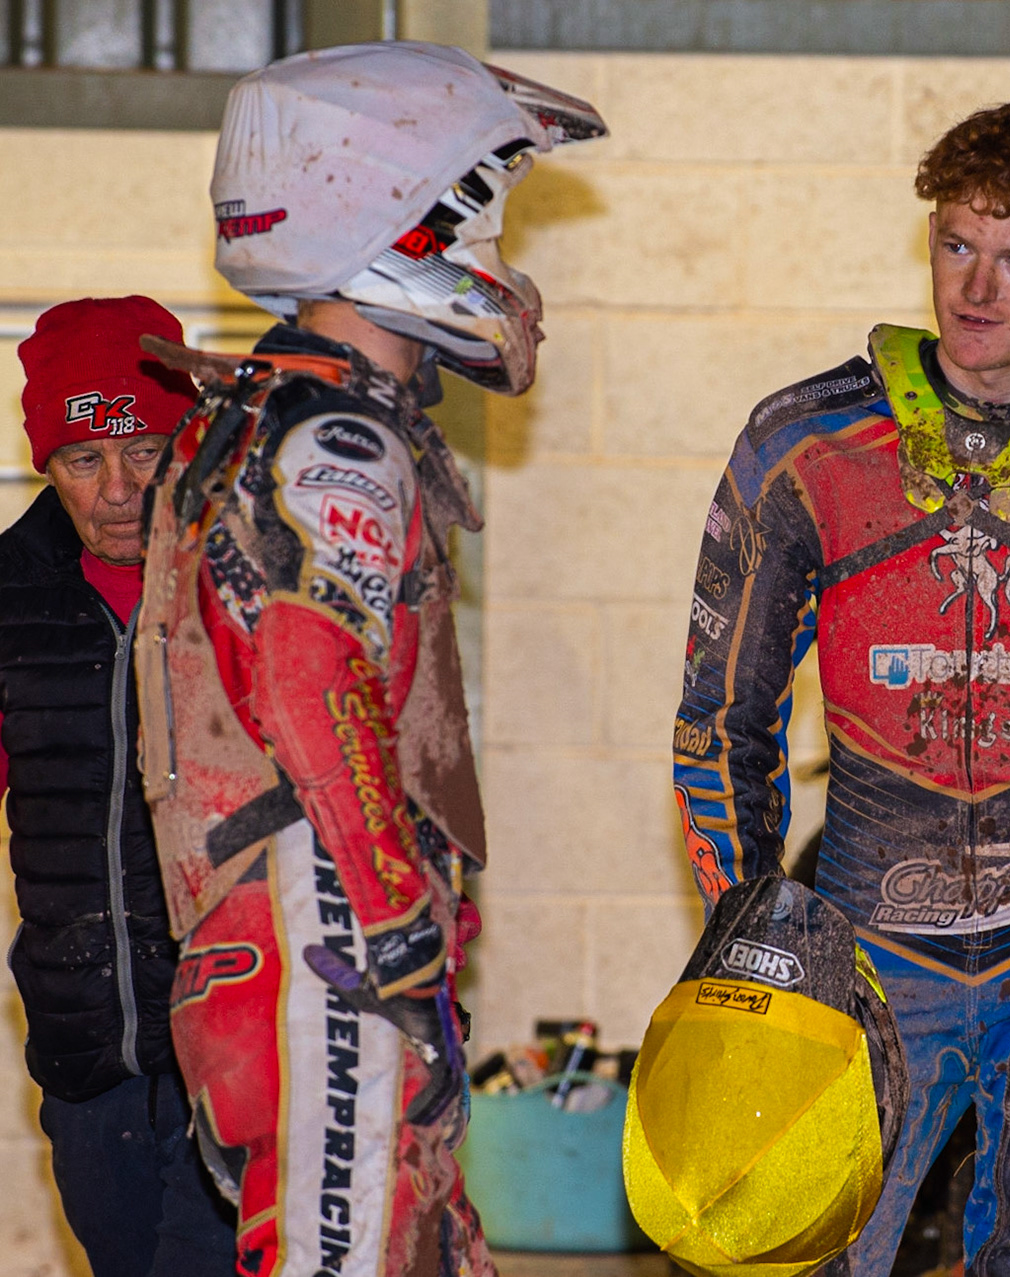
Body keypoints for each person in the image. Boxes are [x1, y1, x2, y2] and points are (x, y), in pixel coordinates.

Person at [672, 99, 1010, 1277]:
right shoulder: (802, 444)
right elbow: (721, 726)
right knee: (801, 1257)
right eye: (957, 245)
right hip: (866, 954)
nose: (977, 288)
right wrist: (749, 952)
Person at [134, 42, 604, 1277]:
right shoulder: (336, 429)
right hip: (322, 932)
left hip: (284, 935)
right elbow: (303, 667)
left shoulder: (264, 411)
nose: (503, 266)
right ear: (399, 219)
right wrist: (394, 908)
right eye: (486, 218)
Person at [0, 296, 235, 1277]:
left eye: (144, 449)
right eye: (84, 460)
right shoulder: (9, 594)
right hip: (84, 1044)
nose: (119, 488)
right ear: (45, 464)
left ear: (184, 437)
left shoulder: (241, 578)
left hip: (232, 1046)